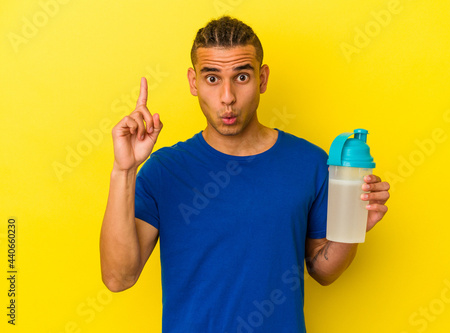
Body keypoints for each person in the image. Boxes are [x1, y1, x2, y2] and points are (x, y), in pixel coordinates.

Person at [100, 16, 390, 332]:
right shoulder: (164, 170)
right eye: (212, 79)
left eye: (241, 77)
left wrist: (351, 228)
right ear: (193, 82)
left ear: (262, 79)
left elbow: (323, 271)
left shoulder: (309, 163)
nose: (227, 97)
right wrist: (124, 170)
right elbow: (119, 277)